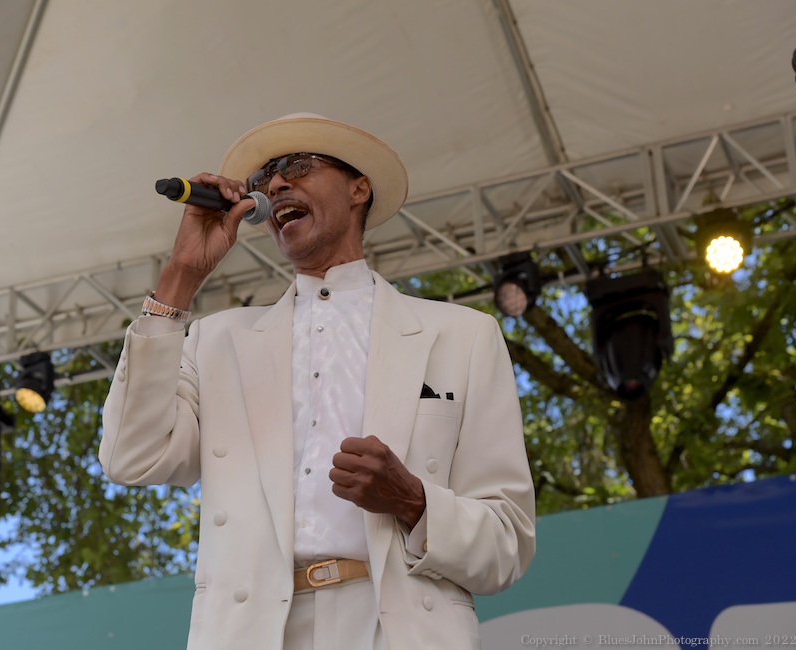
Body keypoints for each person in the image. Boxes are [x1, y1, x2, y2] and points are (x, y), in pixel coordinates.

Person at [99, 113, 535, 650]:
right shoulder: (217, 341)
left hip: (398, 630)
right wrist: (180, 278)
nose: (276, 184)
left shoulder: (462, 335)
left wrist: (414, 501)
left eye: (297, 166)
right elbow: (130, 456)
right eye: (264, 179)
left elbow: (507, 546)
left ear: (359, 187)